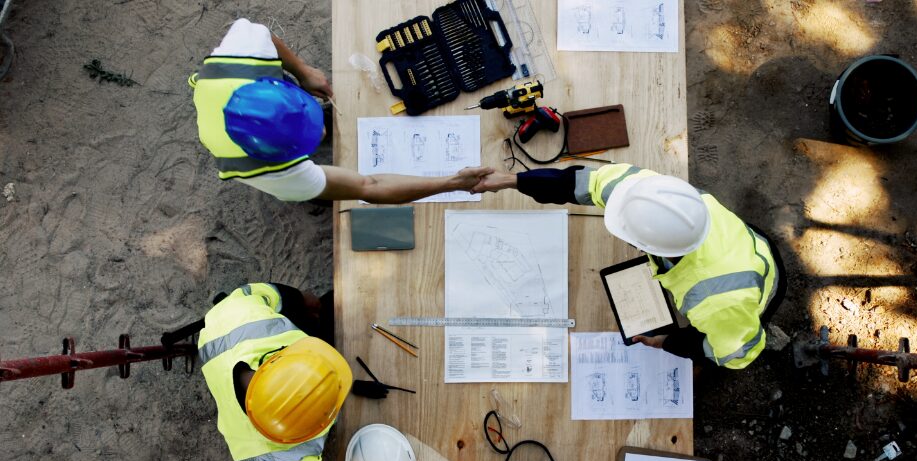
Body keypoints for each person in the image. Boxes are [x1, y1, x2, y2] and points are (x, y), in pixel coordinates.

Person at [473, 164, 786, 369]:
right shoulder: (647, 192)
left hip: (762, 285)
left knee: (725, 339)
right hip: (745, 242)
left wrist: (669, 343)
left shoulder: (714, 302)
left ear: (651, 248)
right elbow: (578, 183)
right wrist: (512, 180)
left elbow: (738, 353)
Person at [190, 19, 492, 202]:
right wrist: (453, 183)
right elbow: (368, 186)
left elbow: (265, 34)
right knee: (323, 192)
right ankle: (317, 193)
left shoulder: (244, 55)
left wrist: (303, 71)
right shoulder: (265, 174)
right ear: (280, 156)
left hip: (230, 98)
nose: (322, 131)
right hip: (242, 150)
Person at [197, 283, 351, 461]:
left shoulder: (234, 315)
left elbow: (274, 295)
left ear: (279, 358)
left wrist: (301, 300)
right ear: (300, 435)